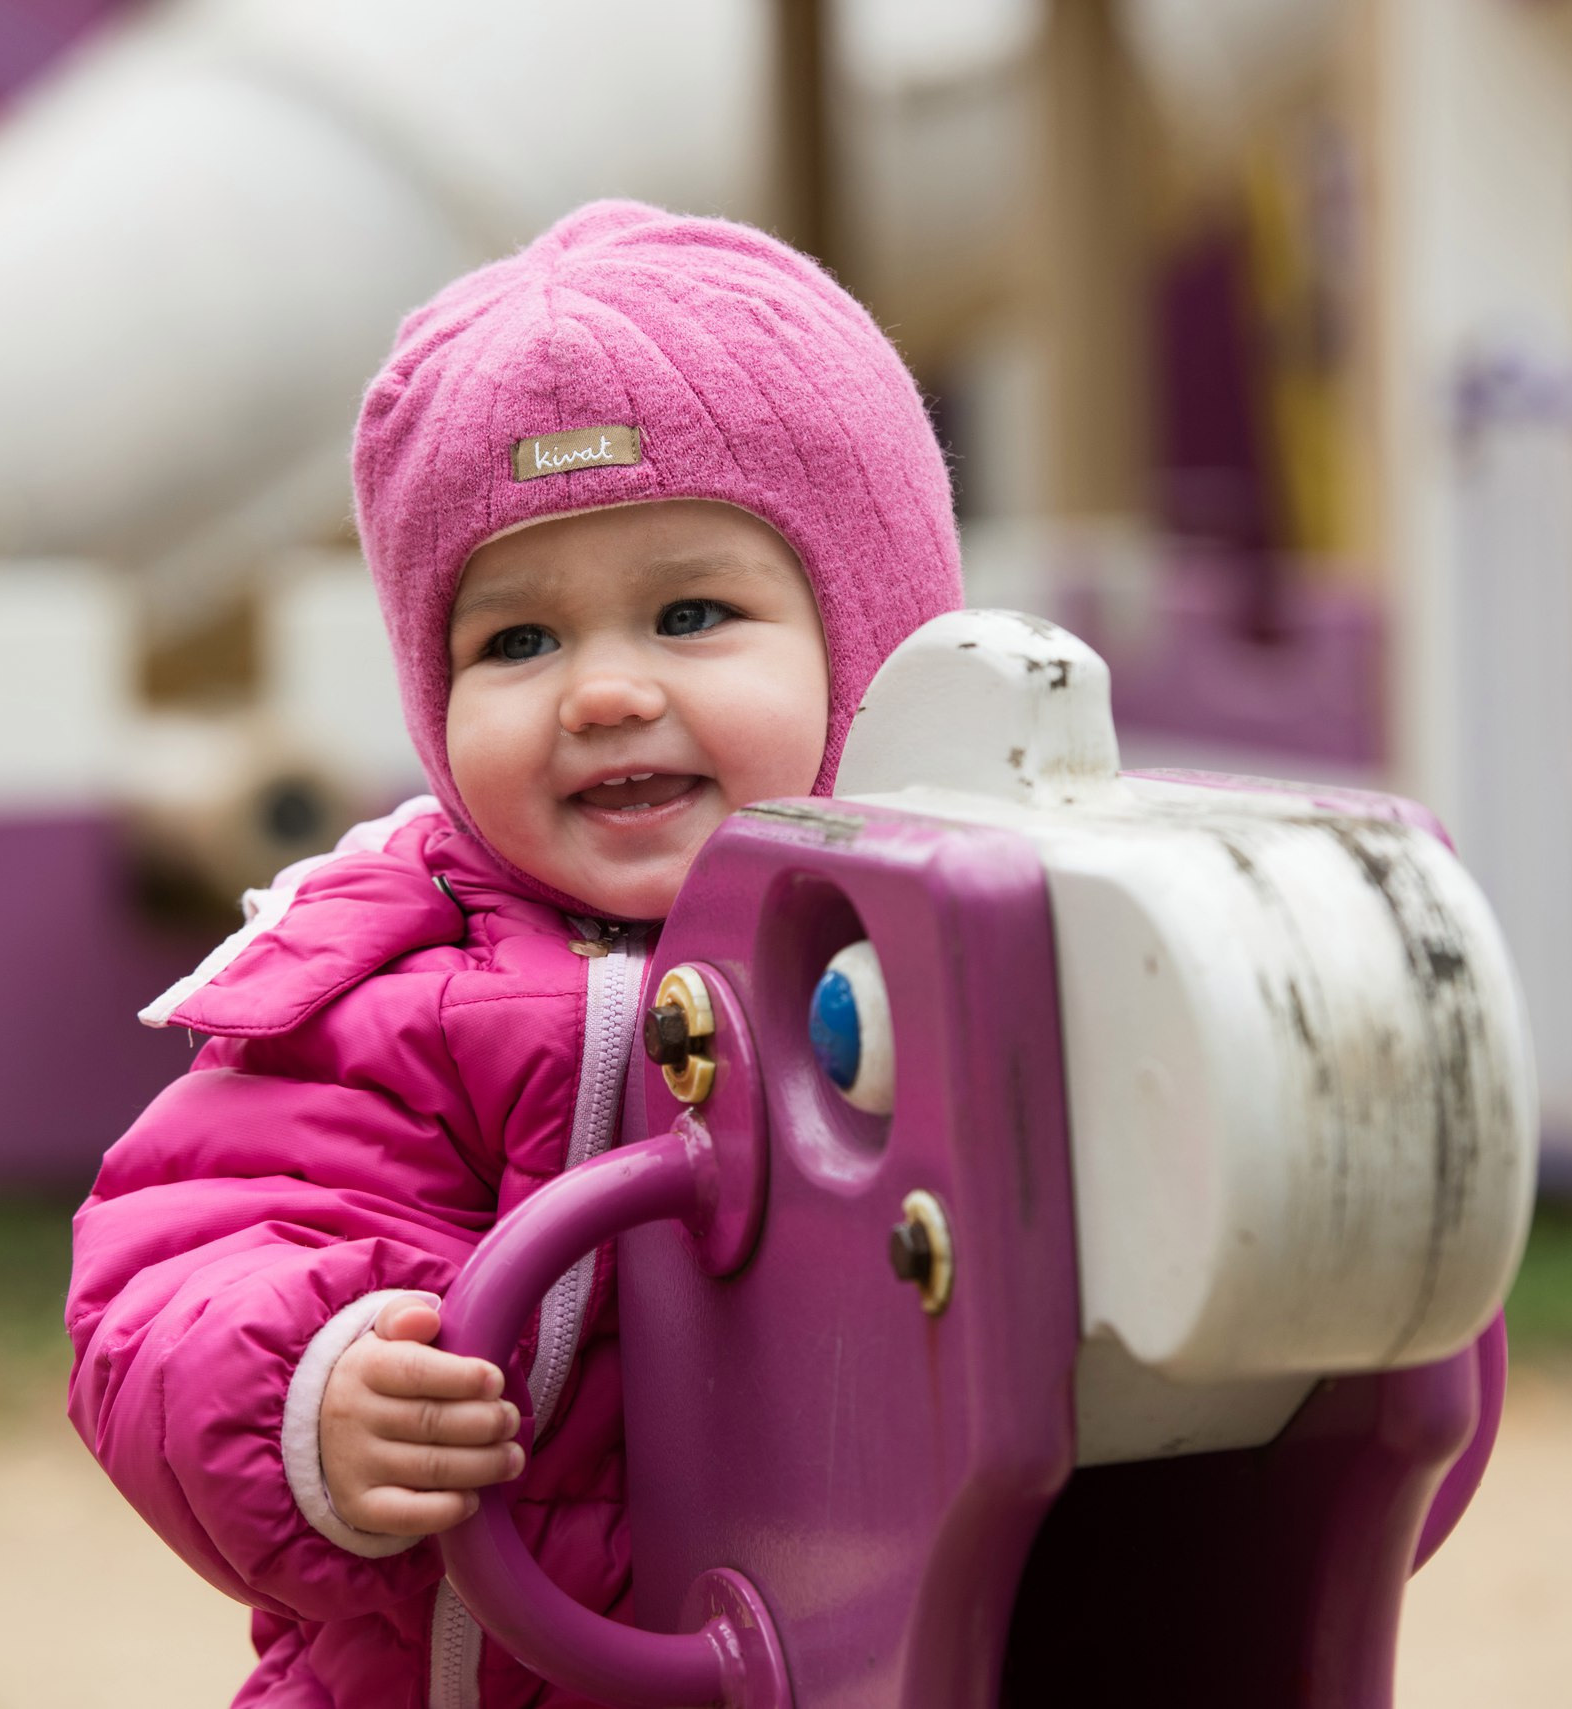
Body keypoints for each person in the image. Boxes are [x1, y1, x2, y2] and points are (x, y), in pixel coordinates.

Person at [66, 199, 962, 1707]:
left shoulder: (986, 951)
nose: (603, 693)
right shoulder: (400, 989)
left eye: (690, 613)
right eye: (518, 642)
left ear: (869, 630)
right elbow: (174, 1275)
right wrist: (312, 1397)